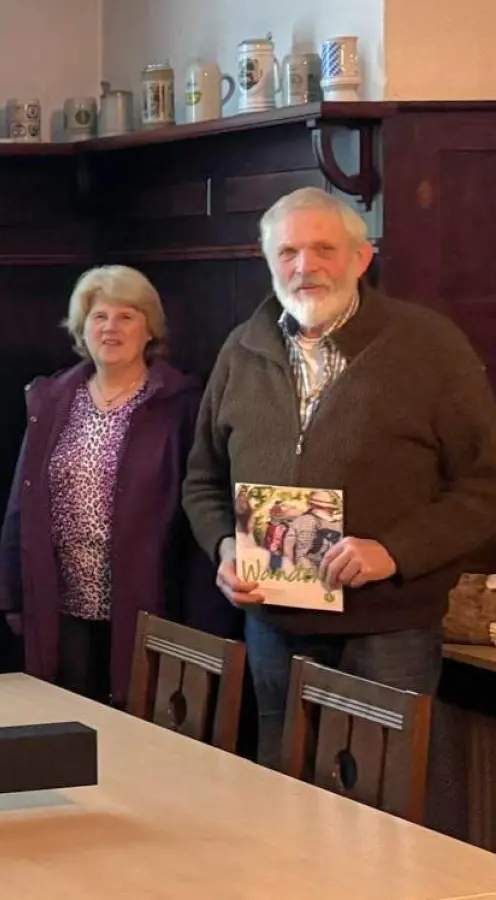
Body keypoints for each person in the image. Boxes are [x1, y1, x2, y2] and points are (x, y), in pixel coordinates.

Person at [182, 187, 496, 767]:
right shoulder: (241, 350)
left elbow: (484, 487)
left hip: (388, 628)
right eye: (288, 253)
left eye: (324, 249)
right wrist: (225, 546)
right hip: (273, 622)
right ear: (268, 260)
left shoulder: (428, 345)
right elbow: (202, 479)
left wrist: (395, 552)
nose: (305, 268)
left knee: (380, 811)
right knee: (285, 795)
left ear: (361, 257)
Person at [0, 265, 208, 706]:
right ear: (82, 329)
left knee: (138, 732)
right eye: (99, 316)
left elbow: (197, 507)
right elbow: (24, 500)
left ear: (150, 329)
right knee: (69, 727)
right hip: (60, 602)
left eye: (126, 316)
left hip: (149, 603)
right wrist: (11, 590)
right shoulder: (51, 398)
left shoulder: (177, 404)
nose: (111, 328)